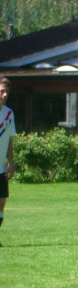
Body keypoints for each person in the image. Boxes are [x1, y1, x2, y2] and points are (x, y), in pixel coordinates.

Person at [0, 77, 16, 247]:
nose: (4, 95)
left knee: (1, 203)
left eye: (7, 92)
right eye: (1, 91)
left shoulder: (9, 114)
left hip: (1, 168)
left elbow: (9, 140)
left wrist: (11, 162)